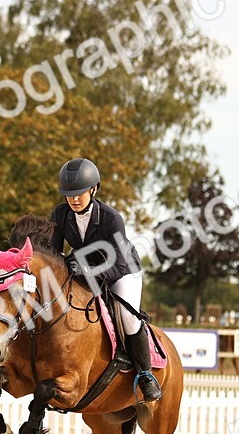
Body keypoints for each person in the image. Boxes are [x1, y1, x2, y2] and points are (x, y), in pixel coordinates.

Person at [49, 157, 161, 403]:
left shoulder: (111, 218)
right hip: (85, 268)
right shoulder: (59, 214)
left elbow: (119, 264)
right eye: (69, 194)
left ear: (93, 189)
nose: (74, 199)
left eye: (79, 193)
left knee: (128, 317)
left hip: (122, 271)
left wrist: (88, 273)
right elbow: (53, 255)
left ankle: (145, 375)